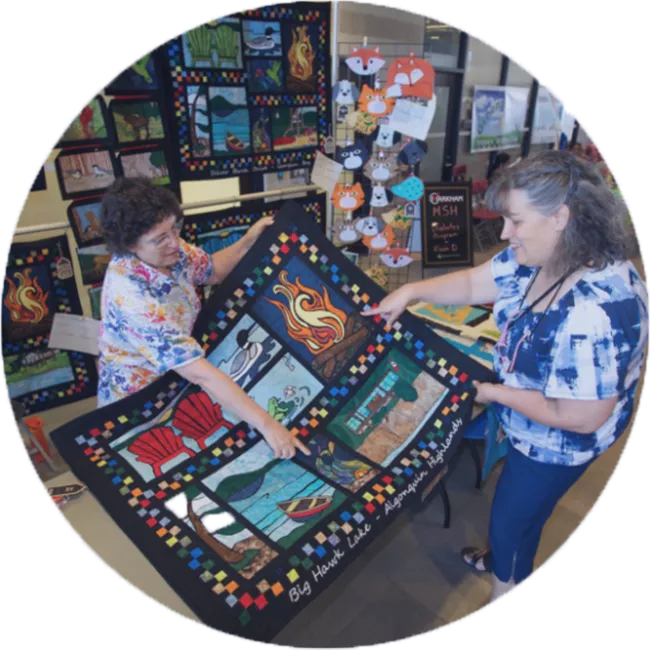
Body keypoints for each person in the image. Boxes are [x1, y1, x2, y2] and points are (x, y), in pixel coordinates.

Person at [363, 150, 648, 603]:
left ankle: (504, 578)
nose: (503, 233)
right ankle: (500, 558)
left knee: (512, 522)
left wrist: (493, 391)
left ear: (560, 217)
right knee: (521, 514)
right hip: (533, 417)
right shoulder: (552, 252)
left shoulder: (597, 308)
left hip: (555, 444)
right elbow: (477, 283)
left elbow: (580, 416)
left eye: (516, 221)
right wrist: (412, 291)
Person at [96, 176, 310, 461]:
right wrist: (268, 425)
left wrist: (248, 241)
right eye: (160, 239)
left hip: (179, 376)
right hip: (142, 397)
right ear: (130, 246)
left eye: (175, 228)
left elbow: (212, 270)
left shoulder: (168, 252)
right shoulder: (133, 299)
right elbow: (200, 373)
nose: (174, 242)